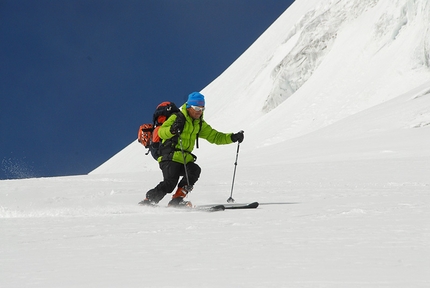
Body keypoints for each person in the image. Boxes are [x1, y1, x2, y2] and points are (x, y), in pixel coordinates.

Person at [139, 92, 244, 207]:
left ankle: (176, 201)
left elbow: (215, 137)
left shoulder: (199, 124)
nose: (200, 111)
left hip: (184, 158)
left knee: (194, 171)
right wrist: (172, 130)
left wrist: (233, 137)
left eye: (202, 108)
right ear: (189, 107)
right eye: (197, 108)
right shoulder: (177, 117)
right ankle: (148, 201)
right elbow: (160, 132)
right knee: (170, 183)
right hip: (170, 156)